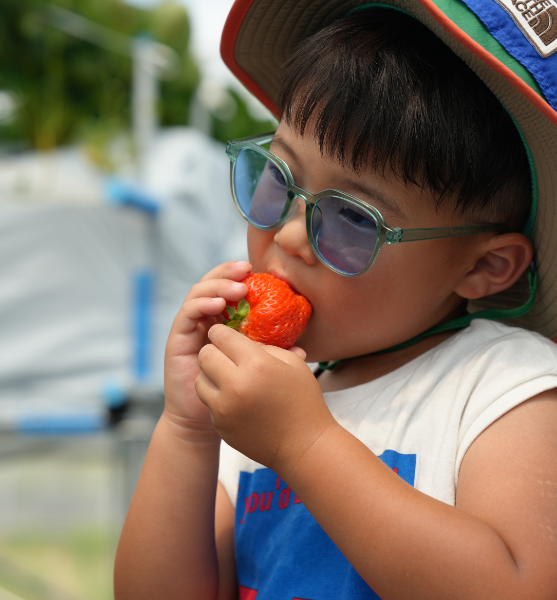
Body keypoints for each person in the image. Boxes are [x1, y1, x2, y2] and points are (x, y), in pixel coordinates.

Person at [114, 0, 557, 598]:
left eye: (352, 218)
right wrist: (188, 428)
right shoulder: (255, 410)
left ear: (484, 267)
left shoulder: (504, 388)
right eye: (278, 178)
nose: (290, 235)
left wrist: (305, 445)